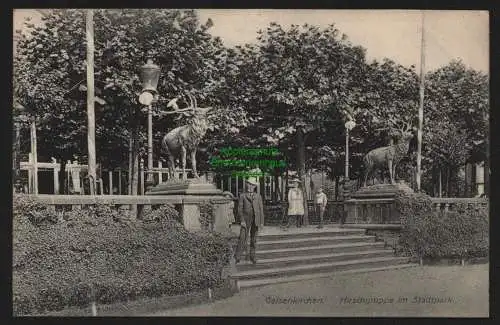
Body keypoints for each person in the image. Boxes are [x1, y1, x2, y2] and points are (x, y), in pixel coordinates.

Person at [234, 179, 265, 264]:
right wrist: (242, 220)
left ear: (255, 187)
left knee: (254, 239)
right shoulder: (243, 195)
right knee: (242, 237)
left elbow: (261, 210)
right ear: (247, 185)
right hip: (246, 219)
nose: (250, 186)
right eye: (249, 184)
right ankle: (237, 256)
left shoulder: (258, 196)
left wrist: (262, 222)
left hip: (256, 219)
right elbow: (239, 209)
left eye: (252, 185)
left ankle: (253, 256)